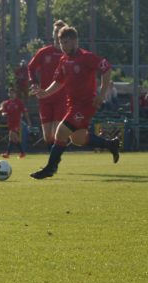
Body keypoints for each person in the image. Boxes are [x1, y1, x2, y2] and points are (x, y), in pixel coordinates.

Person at [29, 26, 120, 179]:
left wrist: (101, 94)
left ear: (75, 41)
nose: (63, 46)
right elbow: (59, 82)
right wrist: (45, 93)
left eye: (66, 42)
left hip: (86, 104)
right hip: (72, 104)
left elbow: (107, 69)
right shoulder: (63, 60)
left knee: (61, 131)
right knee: (78, 139)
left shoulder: (86, 57)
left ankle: (50, 168)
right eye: (61, 42)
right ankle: (111, 144)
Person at [27, 19, 68, 151]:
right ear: (53, 34)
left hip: (62, 98)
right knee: (47, 136)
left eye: (60, 31)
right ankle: (54, 157)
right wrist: (34, 83)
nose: (57, 34)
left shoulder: (69, 54)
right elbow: (31, 67)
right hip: (44, 97)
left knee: (57, 133)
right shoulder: (44, 52)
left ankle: (53, 160)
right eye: (55, 31)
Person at [0, 87, 31, 159]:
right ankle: (22, 153)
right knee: (13, 138)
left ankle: (8, 153)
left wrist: (28, 121)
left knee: (13, 136)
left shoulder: (19, 102)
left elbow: (25, 112)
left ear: (15, 94)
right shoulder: (6, 103)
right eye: (10, 93)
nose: (12, 94)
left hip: (16, 122)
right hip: (10, 123)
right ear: (8, 94)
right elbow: (2, 112)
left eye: (13, 93)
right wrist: (3, 113)